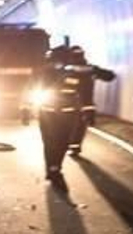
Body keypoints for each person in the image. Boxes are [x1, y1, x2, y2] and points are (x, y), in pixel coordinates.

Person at [37, 42, 116, 186]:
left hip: (67, 112)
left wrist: (89, 110)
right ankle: (53, 169)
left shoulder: (79, 71)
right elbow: (32, 86)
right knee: (51, 143)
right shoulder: (47, 70)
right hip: (49, 112)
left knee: (60, 142)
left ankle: (58, 164)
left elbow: (91, 89)